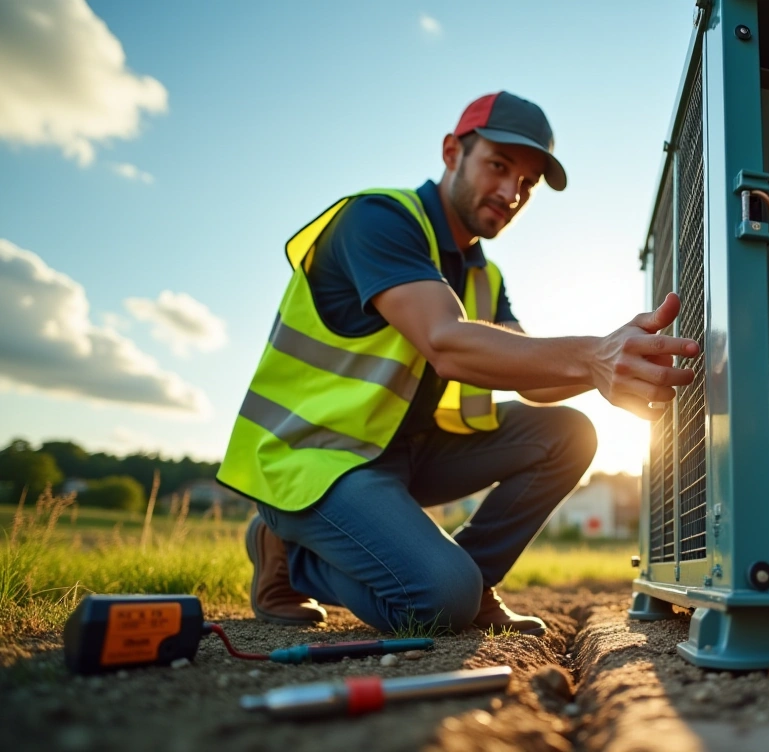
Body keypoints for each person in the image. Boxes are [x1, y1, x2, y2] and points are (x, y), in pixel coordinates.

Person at [217, 91, 697, 636]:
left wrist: (610, 363)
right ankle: (290, 555)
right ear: (452, 152)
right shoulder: (377, 219)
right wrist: (594, 355)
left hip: (402, 453)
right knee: (440, 599)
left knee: (570, 434)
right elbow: (444, 342)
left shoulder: (483, 275)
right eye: (499, 166)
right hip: (313, 461)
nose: (511, 193)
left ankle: (473, 580)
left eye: (527, 183)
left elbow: (536, 383)